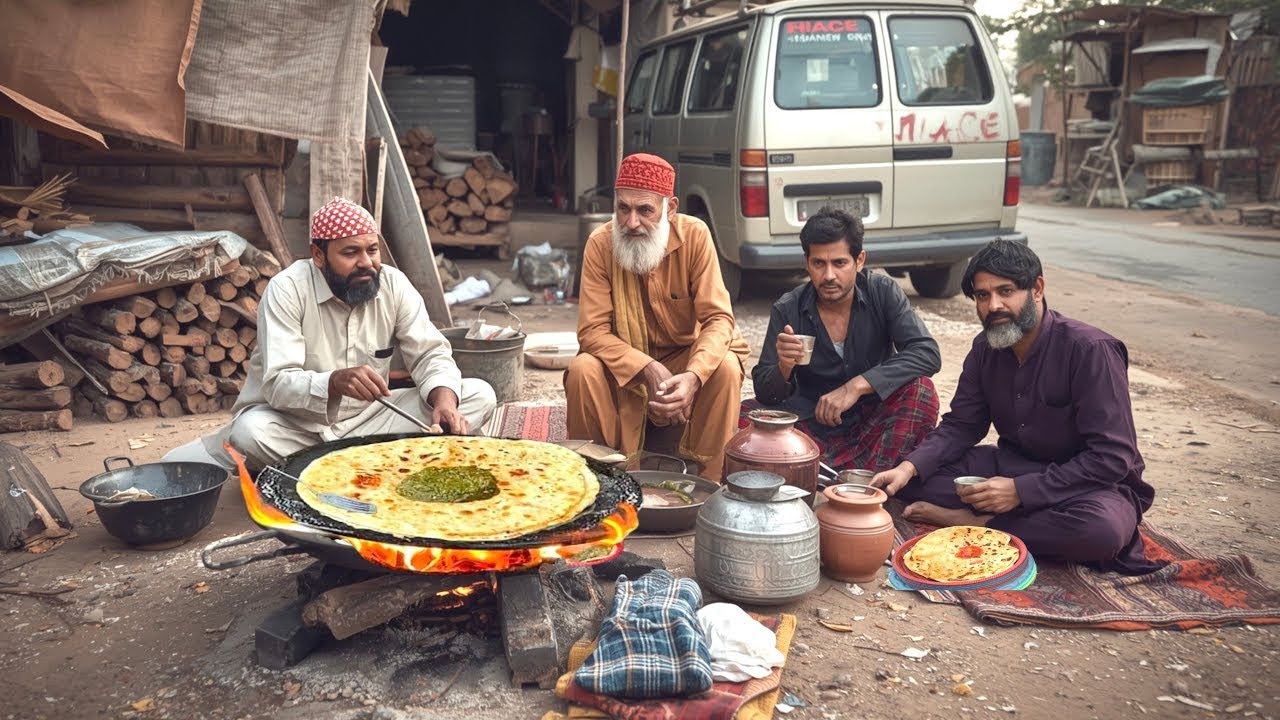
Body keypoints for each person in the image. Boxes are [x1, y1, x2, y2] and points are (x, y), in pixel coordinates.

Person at [870, 239, 1161, 574]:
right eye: (982, 295)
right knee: (913, 479)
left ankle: (978, 523)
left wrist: (1020, 493)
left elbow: (1112, 458)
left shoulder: (1091, 350)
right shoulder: (984, 348)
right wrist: (907, 469)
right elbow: (962, 425)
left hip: (1088, 484)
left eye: (1005, 291)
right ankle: (1011, 521)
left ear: (1037, 288)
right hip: (1013, 465)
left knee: (1100, 532)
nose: (994, 305)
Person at [165, 197, 497, 470]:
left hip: (373, 418)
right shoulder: (287, 290)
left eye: (372, 250)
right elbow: (278, 384)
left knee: (477, 394)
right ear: (319, 256)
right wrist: (333, 382)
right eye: (351, 253)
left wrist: (444, 400)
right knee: (249, 434)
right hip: (296, 425)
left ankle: (329, 465)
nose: (366, 263)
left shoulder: (393, 285)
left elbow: (429, 354)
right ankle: (365, 461)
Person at [565, 153, 749, 482]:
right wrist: (645, 366)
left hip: (683, 363)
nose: (631, 222)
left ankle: (709, 481)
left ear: (671, 208)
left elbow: (718, 320)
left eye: (645, 210)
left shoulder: (695, 236)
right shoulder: (600, 244)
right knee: (582, 369)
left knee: (724, 366)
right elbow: (592, 332)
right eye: (623, 208)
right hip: (625, 371)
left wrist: (693, 377)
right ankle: (597, 476)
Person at [747, 207, 941, 472]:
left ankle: (832, 476)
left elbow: (927, 352)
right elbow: (764, 392)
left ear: (859, 260)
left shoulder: (882, 292)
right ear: (807, 262)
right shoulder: (788, 308)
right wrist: (784, 367)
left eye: (839, 263)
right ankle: (857, 477)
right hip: (814, 427)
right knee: (746, 418)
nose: (828, 276)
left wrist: (857, 386)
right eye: (819, 263)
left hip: (876, 421)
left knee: (921, 391)